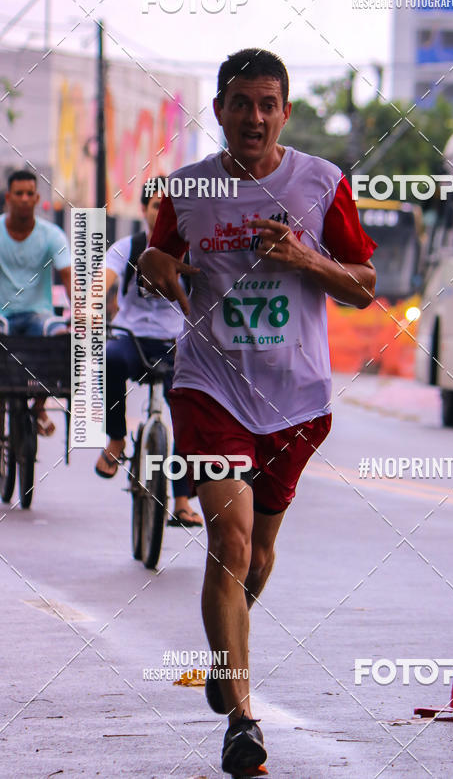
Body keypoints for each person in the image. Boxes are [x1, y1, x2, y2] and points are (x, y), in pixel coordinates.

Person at [138, 48, 377, 775]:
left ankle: (224, 655)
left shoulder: (320, 183)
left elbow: (365, 284)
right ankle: (243, 717)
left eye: (268, 103)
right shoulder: (186, 190)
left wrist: (307, 260)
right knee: (230, 542)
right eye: (240, 102)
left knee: (260, 553)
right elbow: (157, 256)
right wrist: (160, 268)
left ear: (286, 112)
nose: (254, 116)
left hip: (297, 398)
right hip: (210, 386)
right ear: (219, 111)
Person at [95, 183, 203, 527]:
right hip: (133, 339)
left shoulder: (194, 252)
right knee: (110, 358)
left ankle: (183, 500)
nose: (162, 213)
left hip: (176, 344)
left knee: (189, 416)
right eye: (156, 205)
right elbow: (101, 281)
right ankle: (115, 438)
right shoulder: (128, 248)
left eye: (169, 207)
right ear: (144, 210)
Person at [0, 169, 71, 435]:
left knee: (60, 334)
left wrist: (85, 308)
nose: (25, 199)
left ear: (37, 197)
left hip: (37, 315)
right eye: (19, 193)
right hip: (2, 315)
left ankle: (39, 405)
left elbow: (69, 277)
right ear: (9, 197)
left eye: (30, 193)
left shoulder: (51, 234)